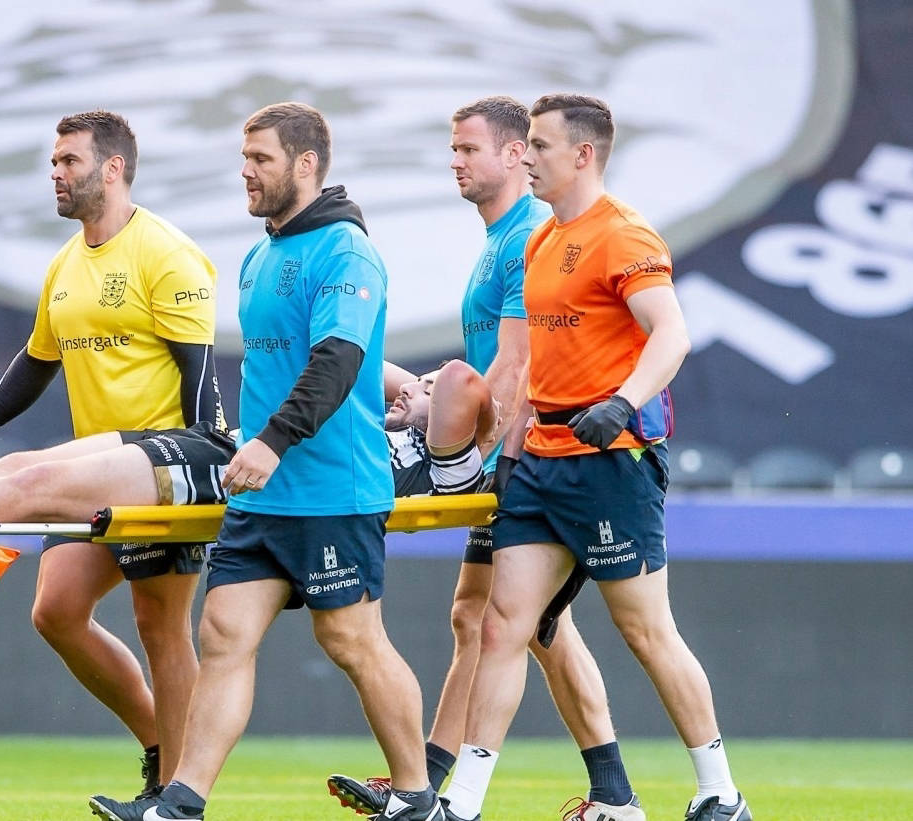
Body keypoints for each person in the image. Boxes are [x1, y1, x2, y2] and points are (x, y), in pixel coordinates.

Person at [91, 101, 443, 821]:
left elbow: (338, 360)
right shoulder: (259, 255)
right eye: (244, 158)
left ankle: (415, 796)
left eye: (261, 159)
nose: (246, 172)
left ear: (305, 164)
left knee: (351, 639)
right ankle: (181, 803)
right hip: (262, 495)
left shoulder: (346, 250)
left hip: (332, 491)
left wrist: (271, 441)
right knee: (222, 635)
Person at [434, 94, 750, 821]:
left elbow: (671, 333)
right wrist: (511, 448)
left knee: (645, 631)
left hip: (612, 461)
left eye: (541, 146)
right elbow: (533, 364)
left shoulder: (623, 234)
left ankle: (720, 791)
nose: (529, 158)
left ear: (582, 155)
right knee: (501, 626)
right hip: (541, 463)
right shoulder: (541, 240)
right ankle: (463, 803)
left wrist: (624, 401)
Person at [328, 97, 642, 820]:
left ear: (513, 154)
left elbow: (518, 366)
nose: (455, 161)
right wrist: (430, 399)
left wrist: (473, 460)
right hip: (518, 455)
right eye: (454, 148)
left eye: (469, 149)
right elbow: (493, 365)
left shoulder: (526, 233)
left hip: (525, 460)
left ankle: (433, 786)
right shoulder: (506, 236)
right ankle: (597, 794)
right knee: (506, 621)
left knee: (521, 622)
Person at [0, 110, 223, 796]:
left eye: (68, 161)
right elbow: (37, 359)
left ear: (112, 168)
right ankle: (162, 746)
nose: (56, 173)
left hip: (160, 469)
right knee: (57, 612)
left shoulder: (166, 252)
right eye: (53, 161)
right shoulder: (66, 262)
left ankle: (177, 793)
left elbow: (200, 377)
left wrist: (201, 481)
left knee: (160, 625)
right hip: (90, 475)